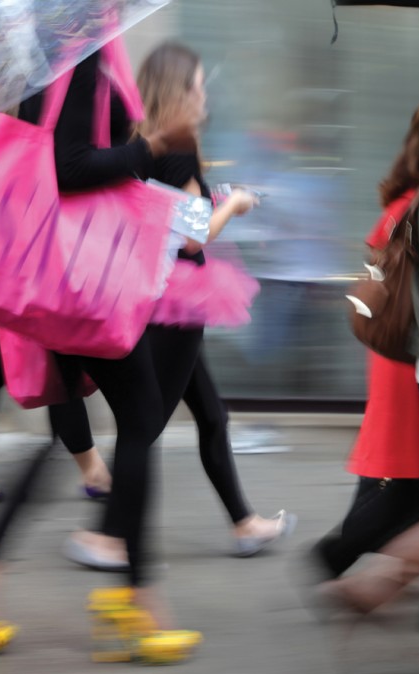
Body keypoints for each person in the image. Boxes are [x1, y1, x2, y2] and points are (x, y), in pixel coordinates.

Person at [0, 40, 209, 664]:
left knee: (76, 437)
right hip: (81, 282)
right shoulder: (81, 59)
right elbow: (71, 167)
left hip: (64, 279)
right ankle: (130, 607)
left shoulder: (67, 54)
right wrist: (153, 147)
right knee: (138, 421)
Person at [63, 42, 294, 569]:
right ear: (182, 91)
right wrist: (232, 204)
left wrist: (207, 200)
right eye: (199, 83)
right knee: (144, 425)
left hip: (156, 292)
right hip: (181, 299)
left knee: (211, 414)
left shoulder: (138, 142)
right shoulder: (181, 145)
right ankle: (111, 538)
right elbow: (193, 239)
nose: (205, 93)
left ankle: (243, 522)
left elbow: (162, 216)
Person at [301, 91, 419, 609]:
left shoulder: (402, 203)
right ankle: (338, 555)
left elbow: (379, 275)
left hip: (394, 354)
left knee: (405, 475)